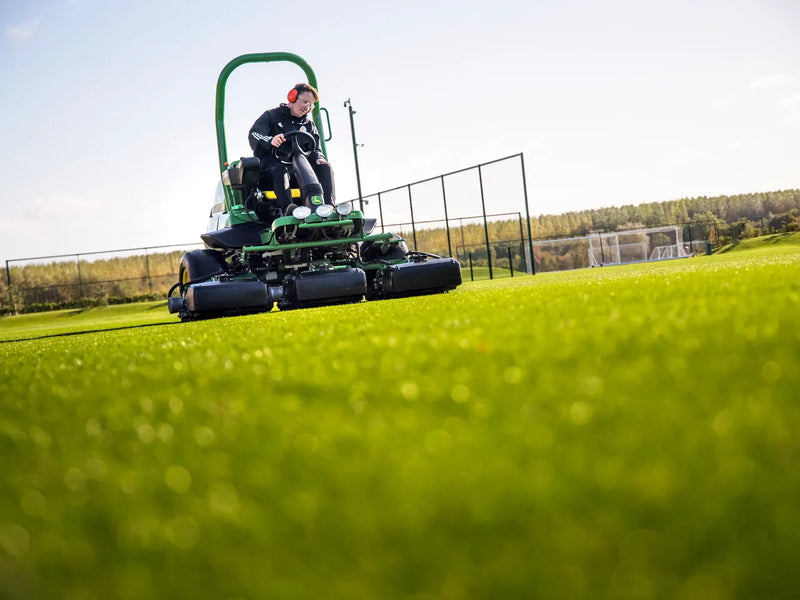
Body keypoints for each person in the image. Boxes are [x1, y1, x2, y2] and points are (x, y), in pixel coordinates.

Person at [248, 83, 335, 214]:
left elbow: (316, 149)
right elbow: (255, 134)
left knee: (325, 167)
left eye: (311, 105)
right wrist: (271, 140)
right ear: (292, 97)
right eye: (305, 102)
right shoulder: (272, 116)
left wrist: (319, 158)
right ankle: (288, 209)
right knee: (280, 169)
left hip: (300, 172)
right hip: (273, 170)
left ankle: (328, 208)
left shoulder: (309, 125)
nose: (307, 107)